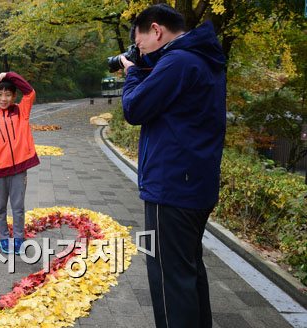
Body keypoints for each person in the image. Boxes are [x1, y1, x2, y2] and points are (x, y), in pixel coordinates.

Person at [120, 4, 226, 328]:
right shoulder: (204, 58)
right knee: (189, 274)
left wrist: (133, 72)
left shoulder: (177, 61)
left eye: (140, 45)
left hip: (171, 189)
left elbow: (134, 108)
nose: (141, 52)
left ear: (156, 30)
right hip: (195, 185)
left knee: (168, 282)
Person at [0, 72, 40, 255]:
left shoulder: (20, 111)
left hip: (19, 170)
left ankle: (19, 238)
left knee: (18, 207)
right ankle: (3, 238)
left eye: (7, 95)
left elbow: (30, 92)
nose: (3, 99)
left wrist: (8, 75)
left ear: (14, 96)